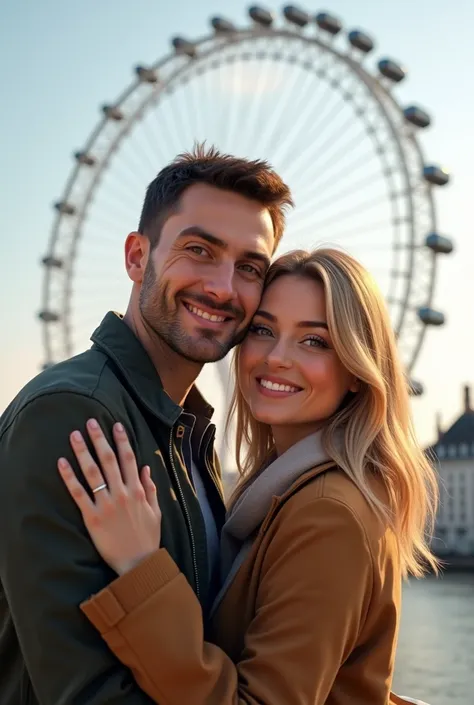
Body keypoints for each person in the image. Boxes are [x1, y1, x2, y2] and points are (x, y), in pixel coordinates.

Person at [58, 248, 438, 705]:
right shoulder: (282, 494)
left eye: (314, 341)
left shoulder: (328, 514)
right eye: (263, 330)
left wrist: (140, 569)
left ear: (357, 370)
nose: (276, 357)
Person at [0, 145, 293, 705]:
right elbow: (84, 692)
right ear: (137, 257)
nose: (223, 288)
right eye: (199, 250)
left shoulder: (186, 431)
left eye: (249, 268)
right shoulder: (72, 416)